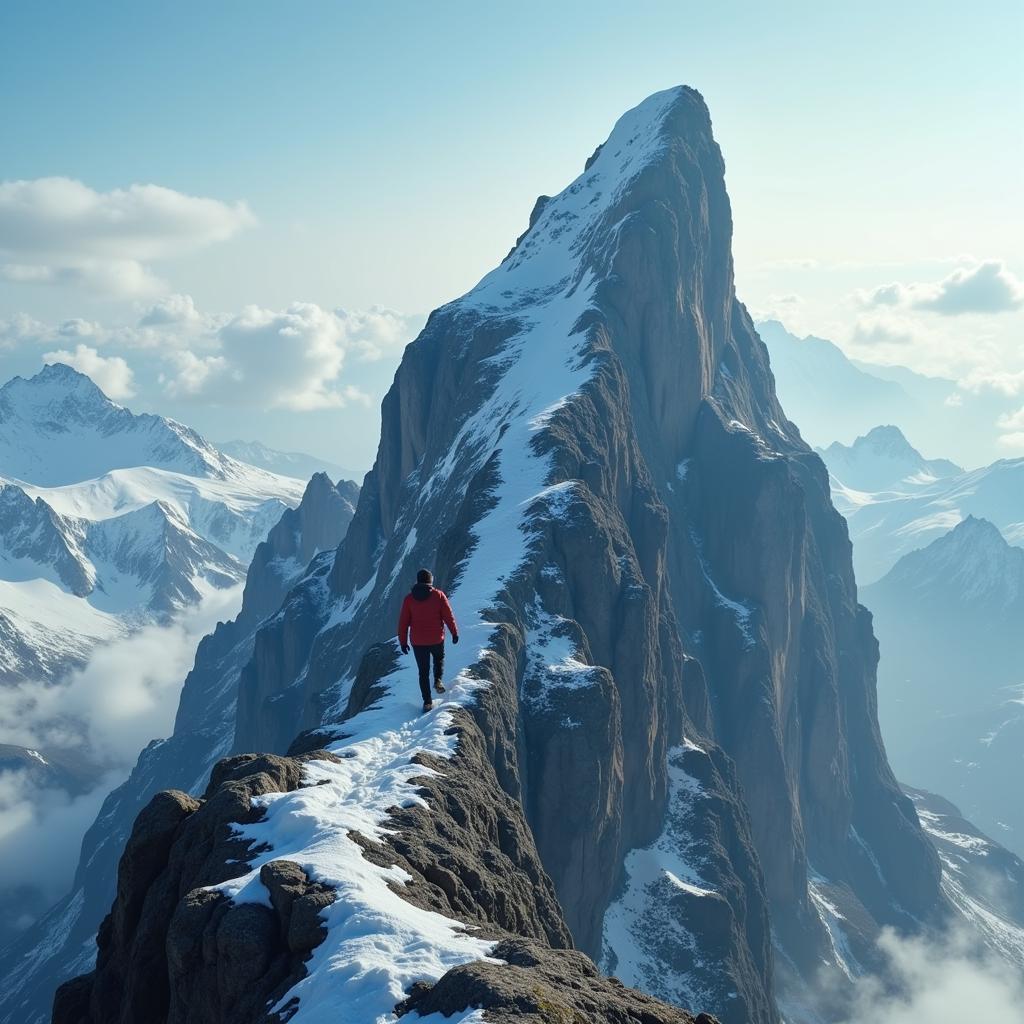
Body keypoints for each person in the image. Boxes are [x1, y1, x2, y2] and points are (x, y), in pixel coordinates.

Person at [397, 568, 459, 712]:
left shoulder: (409, 599)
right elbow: (448, 616)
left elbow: (403, 622)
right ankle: (437, 681)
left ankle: (427, 702)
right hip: (436, 638)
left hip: (418, 641)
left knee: (423, 672)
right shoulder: (438, 595)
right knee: (438, 659)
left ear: (418, 581)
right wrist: (454, 632)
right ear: (430, 581)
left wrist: (403, 642)